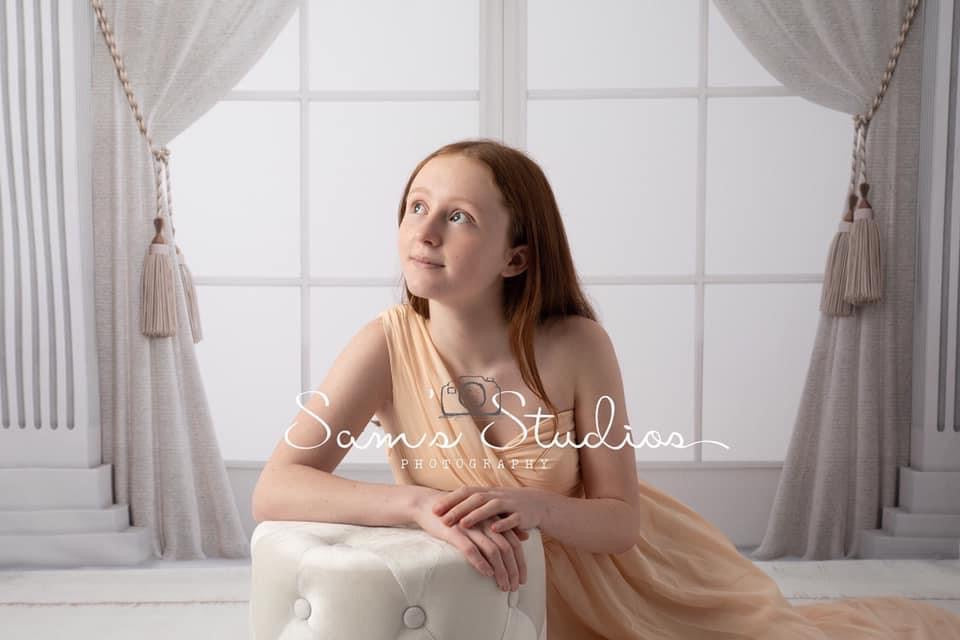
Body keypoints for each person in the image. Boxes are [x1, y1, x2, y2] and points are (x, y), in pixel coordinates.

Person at [253, 139, 960, 638]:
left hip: (636, 589)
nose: (426, 230)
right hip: (498, 601)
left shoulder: (575, 345)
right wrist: (417, 506)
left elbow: (621, 521)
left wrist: (533, 506)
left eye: (458, 216)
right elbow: (277, 487)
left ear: (516, 257)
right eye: (416, 206)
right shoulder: (383, 345)